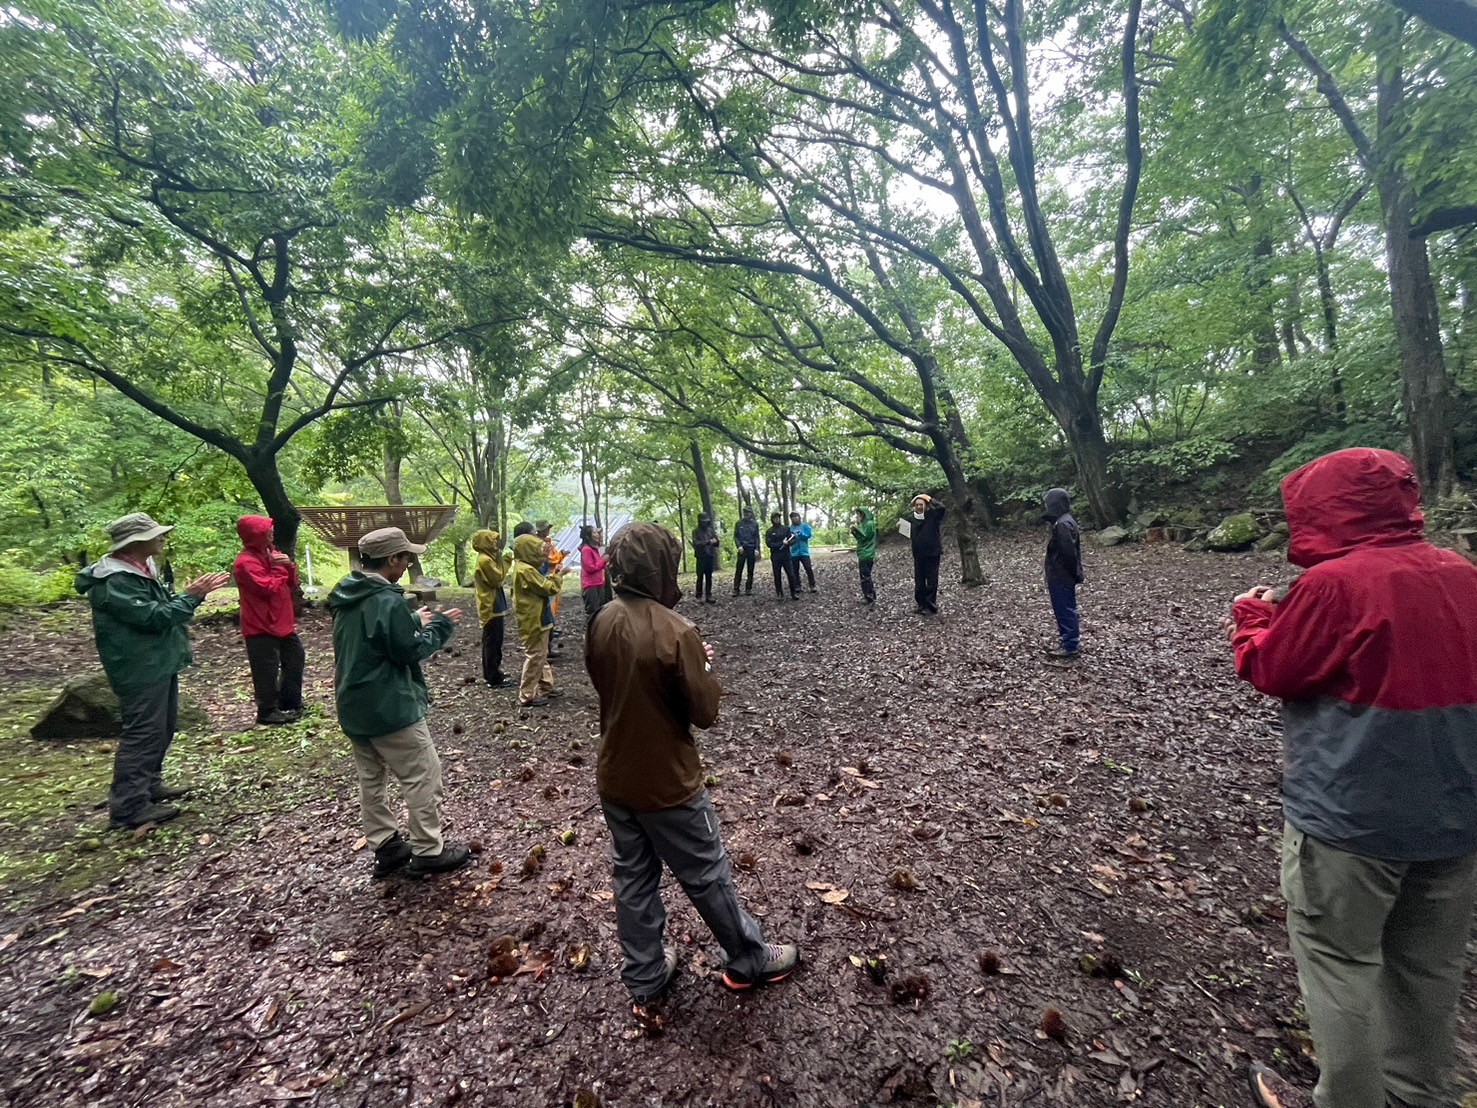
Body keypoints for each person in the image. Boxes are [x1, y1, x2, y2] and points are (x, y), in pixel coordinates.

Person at [1225, 449, 1477, 1108]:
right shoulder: (1463, 576)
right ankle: (1420, 1097)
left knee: (1340, 967)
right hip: (1456, 815)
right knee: (1427, 972)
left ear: (1320, 509)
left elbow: (1274, 670)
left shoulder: (1334, 585)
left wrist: (1252, 620)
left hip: (1349, 819)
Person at [585, 523, 799, 1014]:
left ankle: (646, 973)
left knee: (633, 877)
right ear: (661, 566)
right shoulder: (677, 630)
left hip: (616, 775)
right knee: (706, 873)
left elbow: (607, 682)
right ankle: (748, 957)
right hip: (669, 783)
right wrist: (701, 667)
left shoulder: (600, 619)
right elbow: (705, 712)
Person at [328, 526, 470, 880]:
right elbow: (409, 650)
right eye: (406, 557)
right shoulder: (387, 600)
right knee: (422, 773)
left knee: (371, 779)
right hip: (389, 705)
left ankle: (387, 847)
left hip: (354, 703)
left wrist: (409, 621)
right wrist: (437, 628)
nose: (408, 563)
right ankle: (428, 850)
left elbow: (371, 638)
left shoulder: (348, 595)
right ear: (392, 559)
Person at [76, 513, 231, 830]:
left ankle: (149, 785)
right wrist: (192, 596)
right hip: (138, 666)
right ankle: (129, 808)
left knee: (163, 727)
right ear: (135, 542)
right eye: (156, 534)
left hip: (157, 661)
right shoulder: (115, 580)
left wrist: (187, 597)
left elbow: (160, 611)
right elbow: (155, 617)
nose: (162, 538)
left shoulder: (140, 570)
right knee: (143, 733)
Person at [232, 515, 305, 725]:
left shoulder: (271, 553)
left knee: (295, 658)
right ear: (256, 535)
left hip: (282, 622)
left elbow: (290, 583)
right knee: (266, 669)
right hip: (260, 624)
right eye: (267, 531)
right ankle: (267, 711)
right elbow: (267, 588)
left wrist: (289, 565)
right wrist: (279, 568)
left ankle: (289, 702)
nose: (272, 534)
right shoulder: (244, 563)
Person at [512, 531, 567, 707]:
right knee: (535, 654)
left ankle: (546, 686)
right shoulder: (526, 570)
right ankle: (526, 695)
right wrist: (559, 575)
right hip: (532, 618)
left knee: (540, 653)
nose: (541, 553)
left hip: (537, 615)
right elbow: (548, 588)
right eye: (537, 549)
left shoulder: (525, 568)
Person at [1042, 489, 1083, 660]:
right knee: (1063, 610)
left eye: (1048, 503)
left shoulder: (1063, 524)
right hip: (1061, 575)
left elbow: (1069, 554)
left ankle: (1070, 647)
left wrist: (1070, 574)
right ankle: (1067, 642)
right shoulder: (1063, 522)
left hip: (1062, 576)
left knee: (1065, 610)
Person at [472, 529, 512, 688]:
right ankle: (493, 676)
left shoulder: (487, 558)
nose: (496, 543)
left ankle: (494, 672)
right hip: (491, 604)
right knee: (493, 641)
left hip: (494, 602)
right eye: (493, 540)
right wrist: (507, 560)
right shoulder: (485, 561)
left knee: (495, 640)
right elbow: (497, 579)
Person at [907, 494, 946, 615]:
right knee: (919, 581)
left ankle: (930, 605)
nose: (919, 507)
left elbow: (942, 508)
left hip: (933, 553)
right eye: (917, 505)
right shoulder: (912, 518)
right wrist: (902, 528)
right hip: (918, 554)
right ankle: (921, 604)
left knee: (932, 580)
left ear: (925, 505)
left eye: (921, 504)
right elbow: (911, 535)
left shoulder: (933, 515)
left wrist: (929, 499)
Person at [536, 520, 567, 657]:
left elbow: (553, 558)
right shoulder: (539, 544)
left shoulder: (547, 542)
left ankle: (548, 648)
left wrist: (561, 556)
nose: (548, 530)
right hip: (546, 579)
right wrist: (559, 559)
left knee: (551, 612)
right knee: (547, 612)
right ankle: (545, 650)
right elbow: (550, 560)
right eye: (546, 528)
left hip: (551, 578)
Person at [579, 524, 611, 621]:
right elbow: (590, 568)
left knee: (600, 610)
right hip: (590, 585)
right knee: (593, 612)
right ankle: (591, 633)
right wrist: (603, 560)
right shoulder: (586, 550)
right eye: (595, 532)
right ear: (588, 536)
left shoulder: (595, 549)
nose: (598, 534)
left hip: (598, 583)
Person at [765, 511, 799, 600]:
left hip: (786, 556)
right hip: (775, 557)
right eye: (775, 518)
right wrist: (781, 543)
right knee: (777, 575)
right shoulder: (769, 531)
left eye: (778, 517)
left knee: (791, 575)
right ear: (772, 519)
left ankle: (793, 593)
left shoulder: (786, 529)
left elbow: (792, 539)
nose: (777, 519)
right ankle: (779, 594)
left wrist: (788, 543)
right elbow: (769, 544)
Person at [849, 507, 877, 604]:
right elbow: (862, 539)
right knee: (865, 575)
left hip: (867, 553)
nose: (857, 517)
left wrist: (855, 531)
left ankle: (869, 597)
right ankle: (871, 594)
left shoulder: (869, 524)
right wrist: (855, 532)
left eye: (859, 514)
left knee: (865, 576)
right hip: (864, 553)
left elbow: (865, 538)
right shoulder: (865, 524)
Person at [691, 513, 719, 604]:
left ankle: (708, 595)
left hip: (710, 556)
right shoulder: (695, 531)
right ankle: (698, 595)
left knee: (709, 576)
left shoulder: (710, 531)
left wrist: (715, 542)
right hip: (701, 556)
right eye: (703, 521)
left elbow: (716, 542)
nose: (705, 523)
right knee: (700, 576)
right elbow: (696, 543)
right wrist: (708, 542)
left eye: (706, 521)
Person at [732, 508, 759, 596]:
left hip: (751, 548)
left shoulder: (755, 524)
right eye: (745, 513)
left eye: (748, 513)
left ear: (751, 514)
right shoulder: (739, 523)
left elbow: (757, 537)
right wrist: (739, 546)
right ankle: (736, 589)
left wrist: (757, 548)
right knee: (739, 569)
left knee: (750, 570)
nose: (746, 514)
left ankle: (748, 588)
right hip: (742, 550)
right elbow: (736, 536)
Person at [788, 511, 816, 592]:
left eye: (796, 516)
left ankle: (812, 585)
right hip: (794, 552)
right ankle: (797, 586)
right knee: (795, 570)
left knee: (808, 568)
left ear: (799, 517)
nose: (795, 518)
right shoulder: (789, 528)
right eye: (793, 517)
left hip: (804, 551)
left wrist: (801, 534)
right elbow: (788, 539)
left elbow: (809, 535)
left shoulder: (805, 526)